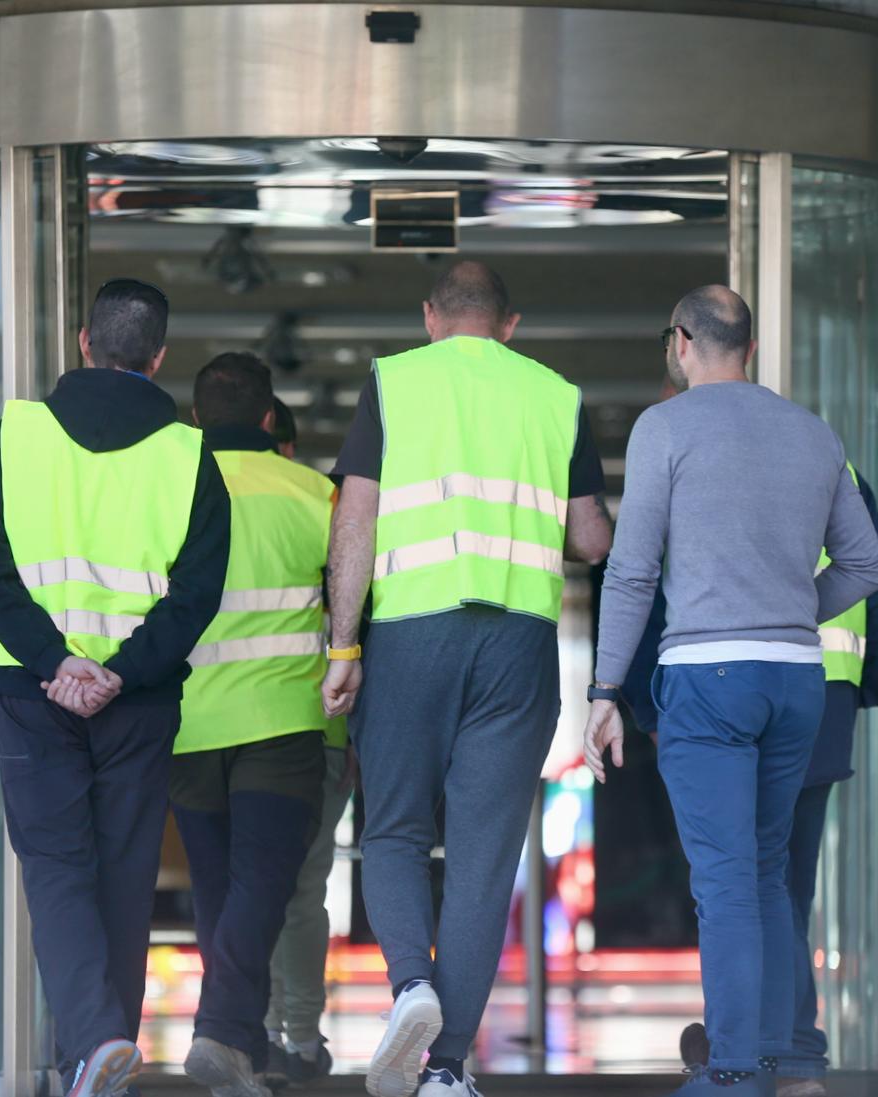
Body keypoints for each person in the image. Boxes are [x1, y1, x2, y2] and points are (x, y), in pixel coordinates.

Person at [585, 286, 878, 1096]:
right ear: (746, 347)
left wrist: (606, 685)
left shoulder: (666, 427)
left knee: (724, 883)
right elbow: (867, 565)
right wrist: (788, 610)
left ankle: (733, 1074)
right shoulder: (812, 432)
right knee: (761, 874)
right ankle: (775, 1060)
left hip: (709, 679)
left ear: (681, 341)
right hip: (797, 681)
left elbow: (633, 567)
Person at [322, 261, 613, 1097]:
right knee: (486, 860)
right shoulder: (556, 396)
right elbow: (591, 537)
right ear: (509, 325)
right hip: (518, 643)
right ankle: (446, 1069)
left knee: (396, 829)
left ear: (430, 317)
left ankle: (411, 981)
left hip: (413, 630)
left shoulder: (396, 381)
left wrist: (344, 647)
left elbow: (356, 516)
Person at [0, 279, 229, 1097]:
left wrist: (52, 659)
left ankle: (96, 1041)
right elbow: (196, 594)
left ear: (83, 342)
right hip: (135, 702)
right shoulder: (188, 453)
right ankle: (99, 1049)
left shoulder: (19, 433)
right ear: (159, 356)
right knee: (122, 868)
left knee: (55, 864)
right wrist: (121, 670)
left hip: (32, 691)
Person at [675, 469, 878, 1097]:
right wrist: (865, 687)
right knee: (784, 885)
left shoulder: (709, 461)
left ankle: (748, 1057)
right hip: (823, 696)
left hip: (732, 688)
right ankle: (792, 1059)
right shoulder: (841, 470)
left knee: (740, 880)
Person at [170, 353, 335, 1097]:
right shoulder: (315, 492)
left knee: (218, 890)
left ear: (196, 418)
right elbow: (351, 608)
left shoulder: (167, 486)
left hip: (188, 723)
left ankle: (234, 1041)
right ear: (271, 418)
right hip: (280, 721)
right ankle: (223, 1031)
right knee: (265, 883)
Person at [260, 393, 354, 1089]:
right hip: (317, 729)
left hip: (216, 727)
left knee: (240, 887)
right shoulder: (324, 501)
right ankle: (298, 1033)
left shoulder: (198, 495)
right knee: (303, 889)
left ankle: (252, 1030)